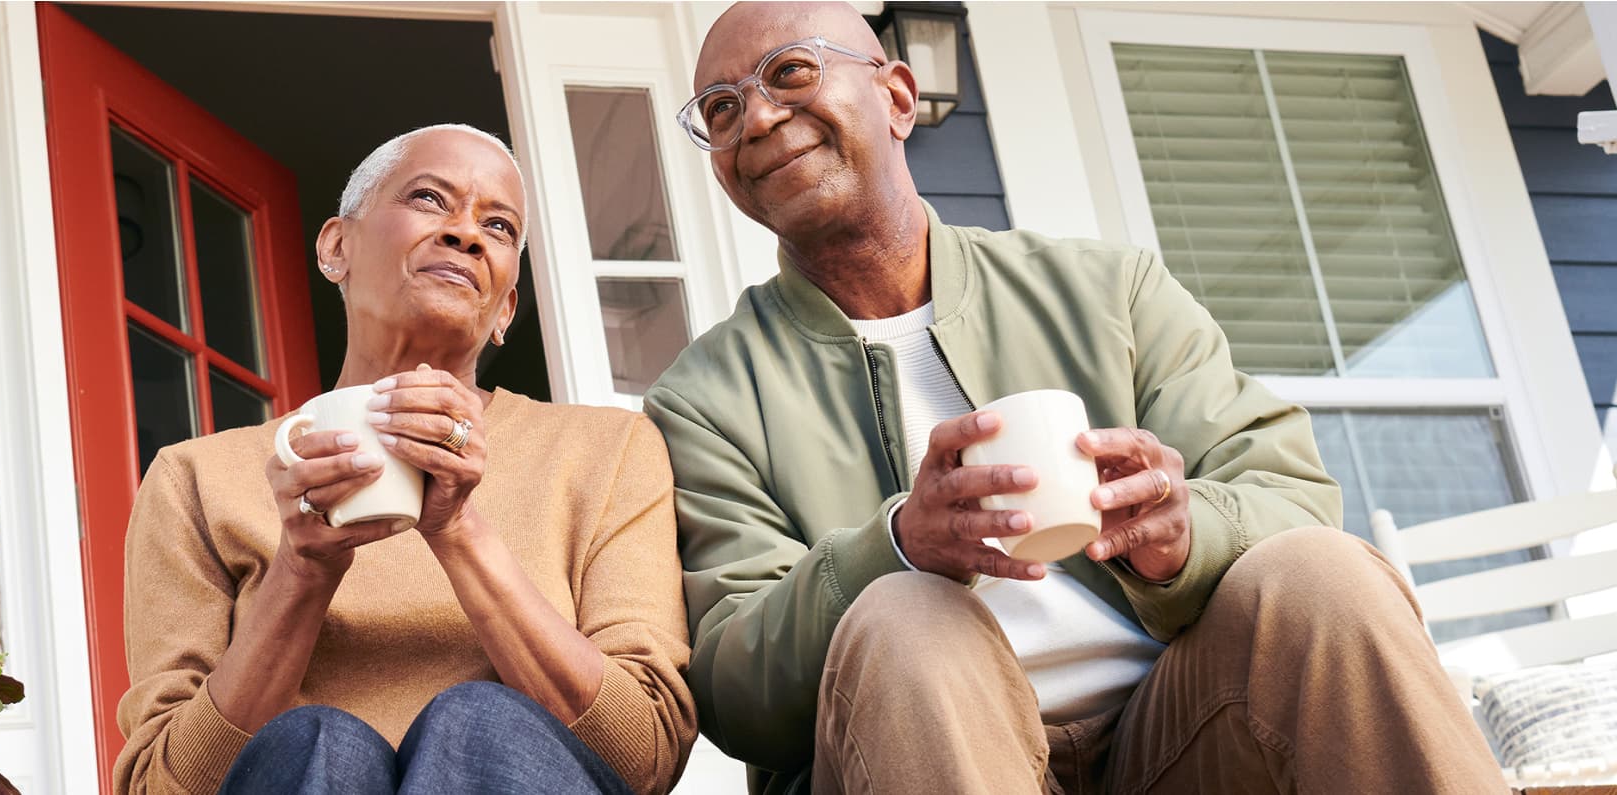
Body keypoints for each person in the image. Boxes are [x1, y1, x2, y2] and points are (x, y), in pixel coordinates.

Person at [644, 4, 1507, 793]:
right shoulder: (703, 398)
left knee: (1322, 574)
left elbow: (1294, 499)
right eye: (720, 110)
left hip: (1178, 728)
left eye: (789, 73)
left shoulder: (1107, 290)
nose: (755, 117)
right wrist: (897, 548)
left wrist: (1183, 531)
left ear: (898, 97)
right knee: (908, 617)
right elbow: (730, 686)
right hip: (918, 746)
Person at [116, 124, 695, 795]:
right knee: (317, 743)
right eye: (429, 198)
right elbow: (161, 783)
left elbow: (645, 756)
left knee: (478, 723)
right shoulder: (194, 478)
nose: (466, 233)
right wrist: (301, 570)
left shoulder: (607, 451)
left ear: (505, 306)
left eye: (499, 226)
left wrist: (458, 530)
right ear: (337, 247)